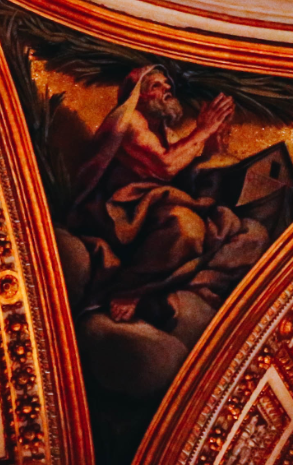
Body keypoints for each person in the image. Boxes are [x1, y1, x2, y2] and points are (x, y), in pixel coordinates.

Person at [66, 66, 255, 323]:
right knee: (186, 227)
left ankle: (165, 290)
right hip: (121, 216)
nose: (167, 89)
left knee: (243, 231)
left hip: (155, 209)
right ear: (137, 94)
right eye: (156, 85)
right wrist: (203, 130)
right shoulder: (129, 121)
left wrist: (215, 136)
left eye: (167, 85)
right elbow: (166, 167)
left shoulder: (168, 133)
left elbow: (191, 175)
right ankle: (127, 290)